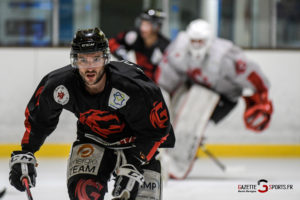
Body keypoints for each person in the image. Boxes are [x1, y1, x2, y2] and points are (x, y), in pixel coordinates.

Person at [9, 27, 174, 200]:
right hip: (94, 139)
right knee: (84, 193)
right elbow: (40, 119)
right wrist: (27, 151)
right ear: (75, 60)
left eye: (96, 59)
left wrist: (134, 163)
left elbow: (158, 130)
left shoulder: (134, 86)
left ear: (105, 59)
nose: (90, 67)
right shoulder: (60, 86)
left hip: (136, 144)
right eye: (83, 59)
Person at [157, 19, 273, 132]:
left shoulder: (226, 56)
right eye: (193, 41)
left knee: (194, 122)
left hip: (225, 97)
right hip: (196, 88)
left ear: (209, 40)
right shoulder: (178, 48)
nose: (196, 45)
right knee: (177, 112)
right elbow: (167, 79)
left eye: (200, 41)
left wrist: (262, 96)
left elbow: (251, 73)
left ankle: (192, 137)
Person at [109, 9, 170, 81]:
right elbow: (110, 43)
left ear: (157, 27)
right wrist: (121, 53)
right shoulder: (133, 35)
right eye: (142, 23)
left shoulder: (165, 47)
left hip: (151, 85)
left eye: (147, 25)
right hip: (131, 77)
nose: (142, 28)